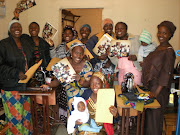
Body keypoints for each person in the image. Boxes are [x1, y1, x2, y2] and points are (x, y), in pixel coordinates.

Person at [41, 42, 93, 118]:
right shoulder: (64, 64)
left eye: (81, 54)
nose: (78, 56)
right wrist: (48, 86)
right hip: (70, 94)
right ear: (71, 52)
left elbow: (89, 84)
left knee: (83, 115)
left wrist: (80, 80)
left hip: (84, 93)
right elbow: (57, 81)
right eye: (76, 53)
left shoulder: (87, 65)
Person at [142, 21, 176, 135]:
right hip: (151, 88)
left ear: (170, 34)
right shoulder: (159, 48)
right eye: (159, 32)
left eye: (164, 33)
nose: (161, 35)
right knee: (149, 121)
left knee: (154, 122)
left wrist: (155, 93)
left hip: (159, 91)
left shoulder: (169, 51)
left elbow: (166, 73)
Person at [0, 20, 34, 135]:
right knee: (15, 118)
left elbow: (30, 60)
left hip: (24, 86)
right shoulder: (3, 44)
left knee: (26, 117)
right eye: (13, 26)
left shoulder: (25, 43)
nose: (17, 28)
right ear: (10, 30)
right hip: (11, 87)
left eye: (19, 26)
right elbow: (1, 66)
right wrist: (16, 73)